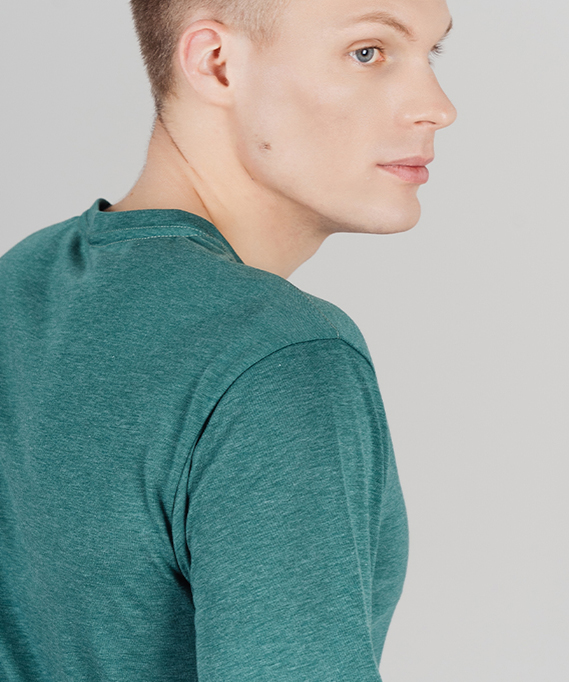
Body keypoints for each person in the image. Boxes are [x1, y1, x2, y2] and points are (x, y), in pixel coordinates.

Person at [0, 0, 456, 679]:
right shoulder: (280, 356)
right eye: (368, 52)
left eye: (432, 52)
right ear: (216, 64)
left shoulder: (22, 279)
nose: (437, 107)